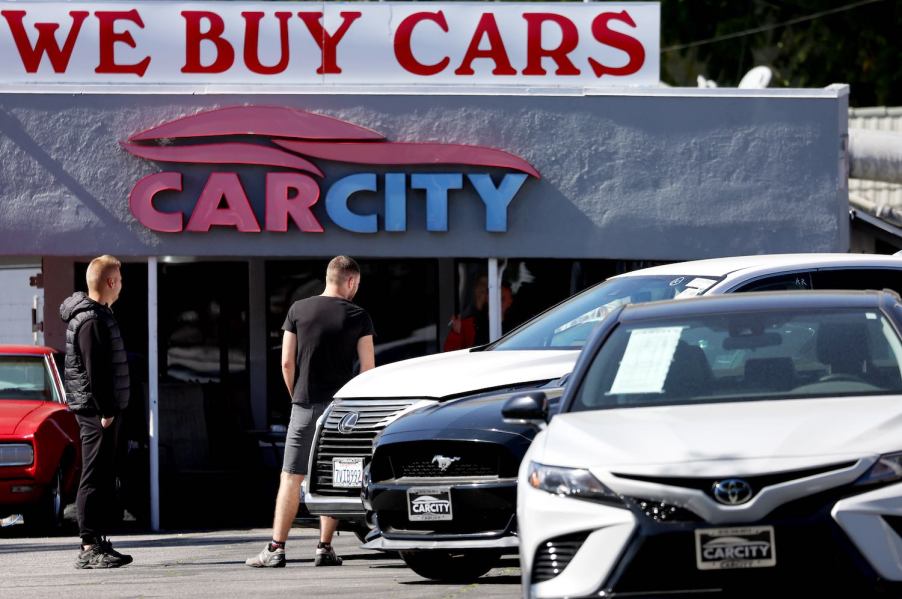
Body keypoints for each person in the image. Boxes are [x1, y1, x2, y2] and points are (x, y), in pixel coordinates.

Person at [247, 256, 375, 568]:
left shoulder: (298, 310)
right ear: (351, 282)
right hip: (341, 411)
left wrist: (298, 396)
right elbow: (369, 369)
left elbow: (286, 362)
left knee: (291, 476)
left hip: (303, 405)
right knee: (333, 476)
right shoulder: (359, 315)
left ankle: (276, 548)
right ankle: (324, 547)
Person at [59, 255, 132, 569]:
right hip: (95, 410)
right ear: (111, 282)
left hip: (99, 408)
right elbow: (96, 371)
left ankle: (98, 541)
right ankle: (89, 546)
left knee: (102, 475)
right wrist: (106, 411)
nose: (121, 285)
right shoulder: (91, 320)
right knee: (93, 474)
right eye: (120, 279)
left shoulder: (98, 315)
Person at [444, 277, 517, 350]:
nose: (497, 303)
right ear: (487, 298)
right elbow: (450, 353)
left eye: (502, 299)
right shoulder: (469, 324)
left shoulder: (518, 327)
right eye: (493, 298)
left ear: (510, 301)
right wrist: (456, 333)